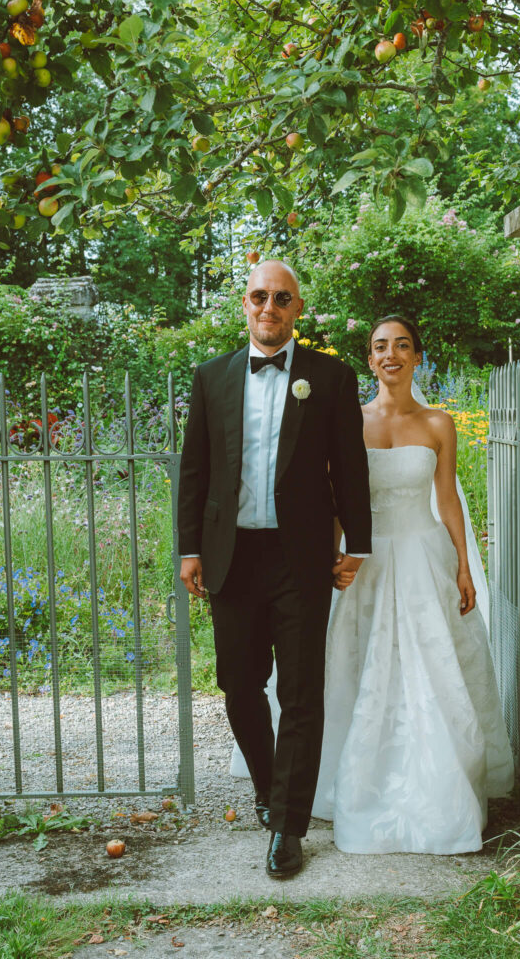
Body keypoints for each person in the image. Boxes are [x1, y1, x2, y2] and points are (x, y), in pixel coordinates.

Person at [232, 314, 514, 854]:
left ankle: (439, 787)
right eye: (381, 347)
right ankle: (345, 780)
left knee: (430, 671)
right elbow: (336, 497)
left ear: (417, 357)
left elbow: (448, 498)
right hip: (365, 561)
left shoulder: (439, 424)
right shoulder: (349, 418)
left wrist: (462, 563)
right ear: (370, 359)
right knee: (356, 668)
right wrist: (334, 552)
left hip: (422, 557)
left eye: (402, 346)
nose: (391, 355)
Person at [177, 260, 372, 879]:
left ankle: (289, 826)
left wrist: (358, 544)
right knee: (238, 685)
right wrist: (189, 548)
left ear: (297, 308)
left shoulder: (331, 378)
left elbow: (349, 467)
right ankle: (268, 787)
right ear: (245, 303)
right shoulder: (212, 377)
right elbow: (195, 471)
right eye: (260, 296)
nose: (269, 307)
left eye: (281, 298)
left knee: (300, 693)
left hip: (301, 558)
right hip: (232, 556)